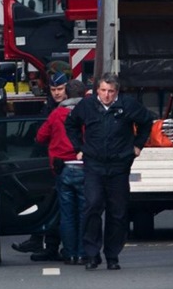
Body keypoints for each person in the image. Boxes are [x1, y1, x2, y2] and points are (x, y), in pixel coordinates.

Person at [65, 73, 154, 271]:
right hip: (94, 163)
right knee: (93, 205)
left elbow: (147, 121)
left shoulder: (127, 105)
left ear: (117, 92)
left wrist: (138, 145)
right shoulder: (86, 106)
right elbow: (70, 124)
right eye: (103, 91)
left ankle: (112, 255)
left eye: (111, 92)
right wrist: (79, 147)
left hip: (119, 165)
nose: (107, 95)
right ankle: (91, 253)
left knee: (118, 212)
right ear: (97, 90)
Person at [12, 70, 70, 257]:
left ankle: (51, 245)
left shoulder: (67, 108)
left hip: (65, 163)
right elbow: (39, 134)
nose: (56, 93)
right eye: (53, 89)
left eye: (60, 89)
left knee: (58, 207)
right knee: (45, 203)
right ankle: (39, 239)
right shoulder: (50, 107)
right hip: (49, 162)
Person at [36, 78, 87, 265]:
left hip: (63, 168)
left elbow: (40, 137)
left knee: (67, 214)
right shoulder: (89, 113)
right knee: (84, 212)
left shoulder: (57, 114)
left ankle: (70, 253)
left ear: (67, 93)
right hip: (84, 166)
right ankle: (83, 253)